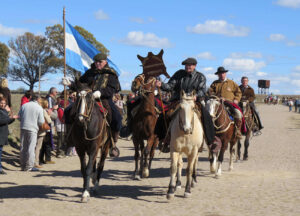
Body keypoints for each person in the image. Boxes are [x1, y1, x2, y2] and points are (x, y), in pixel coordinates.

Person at [156, 57, 216, 149]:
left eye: (190, 65)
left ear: (194, 66)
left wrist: (196, 95)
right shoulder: (178, 74)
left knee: (206, 116)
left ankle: (210, 141)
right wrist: (162, 85)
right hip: (178, 101)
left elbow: (202, 90)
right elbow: (170, 86)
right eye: (186, 65)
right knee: (164, 115)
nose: (188, 67)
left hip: (194, 101)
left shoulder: (200, 76)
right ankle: (163, 138)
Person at [79, 53, 122, 157]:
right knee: (70, 111)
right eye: (96, 62)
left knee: (117, 116)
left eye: (100, 62)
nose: (97, 64)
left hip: (104, 100)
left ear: (105, 62)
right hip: (88, 99)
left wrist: (100, 93)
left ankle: (113, 142)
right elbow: (80, 83)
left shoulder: (111, 73)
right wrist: (70, 84)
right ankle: (70, 139)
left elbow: (111, 89)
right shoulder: (90, 72)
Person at [209, 66, 243, 138]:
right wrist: (216, 97)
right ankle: (207, 132)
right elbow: (209, 92)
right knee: (208, 114)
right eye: (220, 73)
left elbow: (238, 92)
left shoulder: (232, 83)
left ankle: (237, 131)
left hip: (229, 103)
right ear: (218, 75)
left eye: (223, 73)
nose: (222, 75)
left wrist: (236, 99)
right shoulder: (215, 83)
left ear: (225, 73)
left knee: (238, 113)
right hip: (217, 103)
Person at [18, 93, 44, 171]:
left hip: (23, 127)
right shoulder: (39, 108)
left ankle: (23, 165)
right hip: (33, 128)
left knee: (23, 147)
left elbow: (19, 117)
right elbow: (41, 121)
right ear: (38, 99)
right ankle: (29, 166)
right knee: (31, 148)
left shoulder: (24, 105)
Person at [0, 96, 18, 174]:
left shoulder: (3, 111)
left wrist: (13, 118)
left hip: (3, 133)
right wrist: (10, 118)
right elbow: (1, 121)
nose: (3, 104)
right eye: (1, 103)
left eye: (4, 103)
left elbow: (6, 121)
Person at [35, 98, 52, 169]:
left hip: (34, 129)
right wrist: (49, 115)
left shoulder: (36, 109)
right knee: (38, 147)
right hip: (41, 130)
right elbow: (49, 120)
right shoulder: (43, 111)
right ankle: (36, 162)